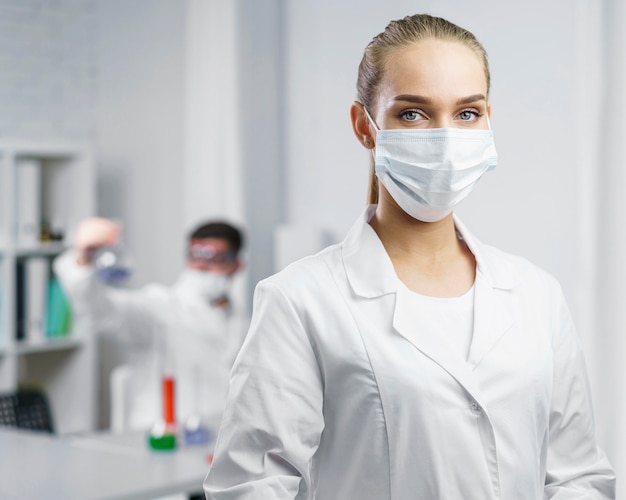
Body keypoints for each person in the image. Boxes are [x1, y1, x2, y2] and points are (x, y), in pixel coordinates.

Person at [203, 13, 616, 500]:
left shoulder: (536, 294)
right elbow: (250, 486)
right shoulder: (300, 300)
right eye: (413, 113)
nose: (444, 139)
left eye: (467, 113)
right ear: (365, 126)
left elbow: (578, 477)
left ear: (488, 121)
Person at [53, 217, 248, 432]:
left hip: (220, 437)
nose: (202, 265)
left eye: (216, 258)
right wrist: (83, 260)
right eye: (196, 256)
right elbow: (102, 312)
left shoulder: (244, 320)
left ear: (237, 264)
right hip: (164, 438)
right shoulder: (161, 307)